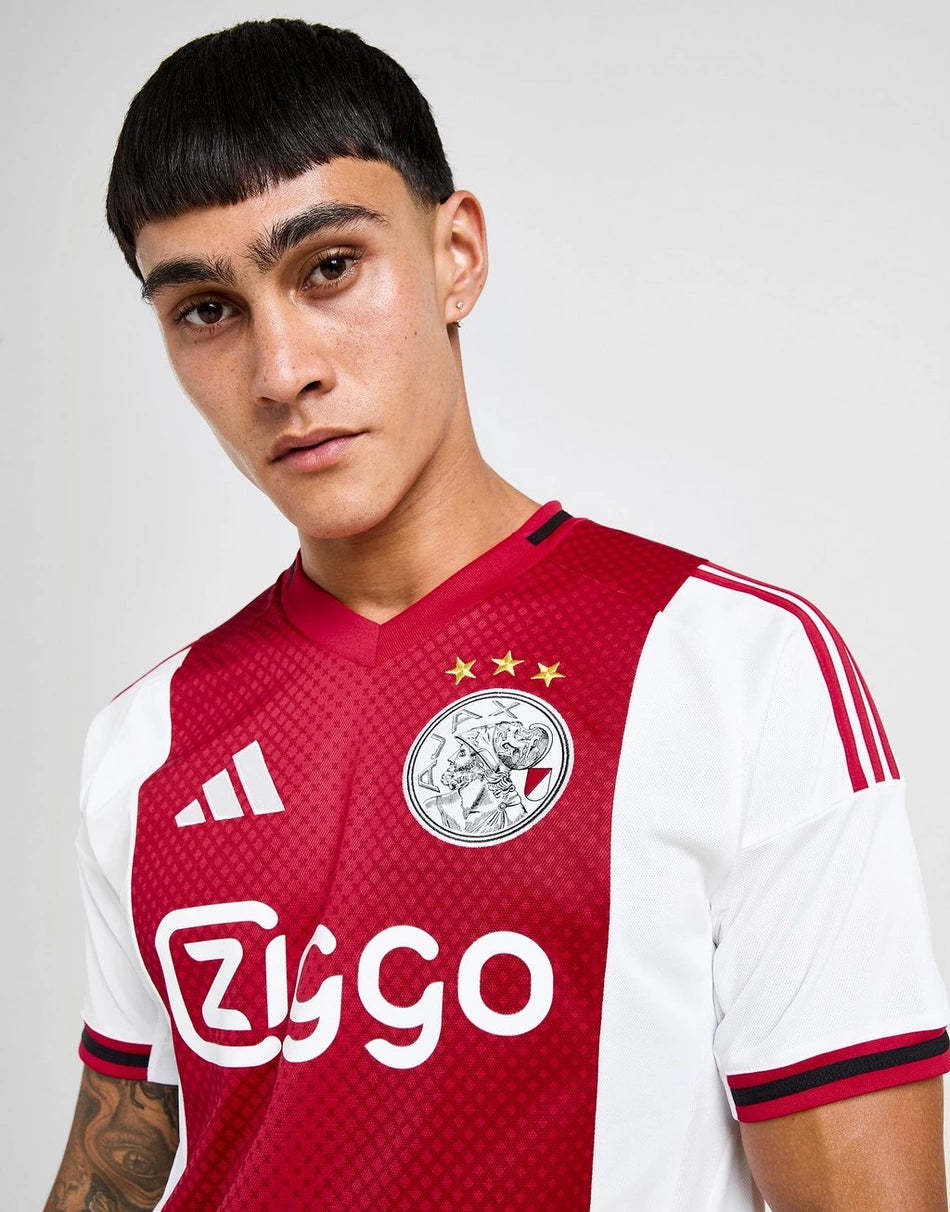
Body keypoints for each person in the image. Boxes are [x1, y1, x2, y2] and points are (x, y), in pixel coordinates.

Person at [45, 17, 950, 1212]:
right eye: (206, 309)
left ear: (455, 254)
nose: (279, 370)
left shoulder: (732, 671)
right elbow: (116, 1164)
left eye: (328, 268)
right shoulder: (146, 741)